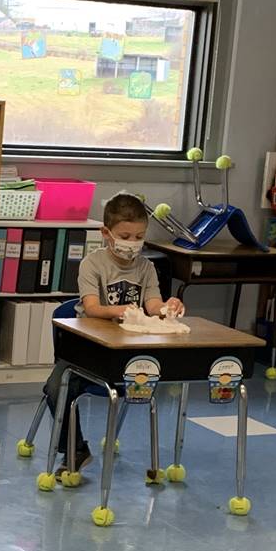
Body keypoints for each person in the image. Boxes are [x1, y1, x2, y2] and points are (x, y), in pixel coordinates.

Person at [41, 192, 185, 472]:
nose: (133, 244)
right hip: (88, 351)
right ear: (106, 233)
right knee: (56, 387)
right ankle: (75, 450)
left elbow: (153, 304)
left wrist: (168, 306)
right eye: (125, 236)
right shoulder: (92, 265)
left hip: (127, 353)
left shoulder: (146, 267)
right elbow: (92, 308)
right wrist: (120, 311)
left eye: (139, 237)